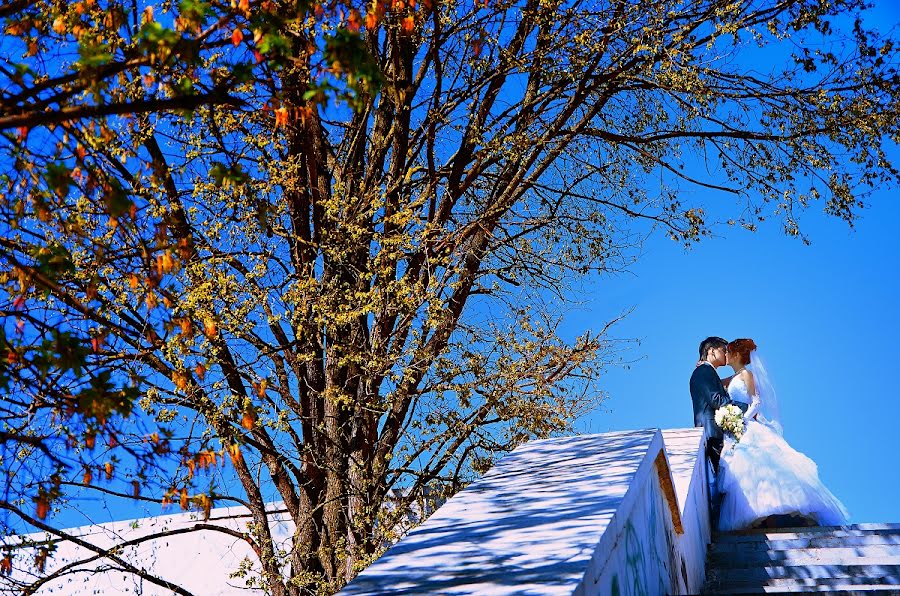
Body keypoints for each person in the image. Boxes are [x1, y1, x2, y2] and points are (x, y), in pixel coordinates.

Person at [716, 338, 849, 531]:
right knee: (750, 473)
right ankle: (761, 519)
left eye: (728, 352)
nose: (726, 356)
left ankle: (775, 518)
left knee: (761, 467)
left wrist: (742, 419)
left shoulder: (747, 374)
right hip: (738, 427)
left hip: (749, 424)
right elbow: (717, 382)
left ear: (736, 354)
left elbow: (757, 402)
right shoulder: (733, 377)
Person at [689, 337, 732, 474]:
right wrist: (743, 406)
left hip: (715, 434)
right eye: (723, 350)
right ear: (711, 351)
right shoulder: (703, 371)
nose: (726, 354)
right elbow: (716, 400)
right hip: (711, 434)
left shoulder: (708, 371)